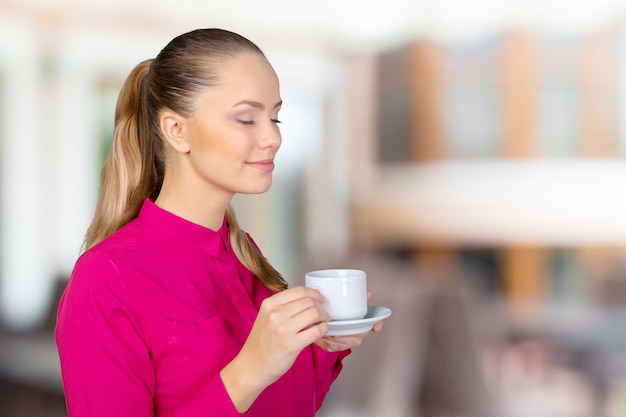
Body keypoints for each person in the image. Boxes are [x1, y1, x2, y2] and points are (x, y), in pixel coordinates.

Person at [55, 28, 382, 417]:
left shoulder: (245, 256)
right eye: (247, 119)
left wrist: (325, 344)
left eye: (275, 117)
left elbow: (285, 403)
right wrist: (250, 369)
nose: (273, 137)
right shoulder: (107, 277)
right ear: (177, 130)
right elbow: (250, 379)